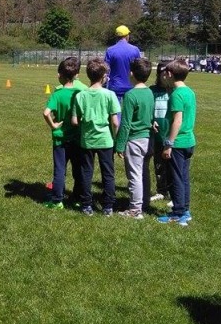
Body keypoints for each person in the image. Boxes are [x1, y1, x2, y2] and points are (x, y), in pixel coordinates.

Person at [71, 58, 120, 216]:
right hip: (106, 140)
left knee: (86, 172)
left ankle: (86, 205)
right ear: (104, 76)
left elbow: (74, 120)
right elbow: (115, 122)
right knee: (108, 173)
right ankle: (108, 206)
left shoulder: (80, 95)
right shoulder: (110, 95)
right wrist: (117, 138)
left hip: (87, 139)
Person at [157, 58, 197, 226]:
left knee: (176, 178)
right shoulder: (190, 92)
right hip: (189, 141)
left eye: (165, 73)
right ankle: (185, 209)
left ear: (170, 74)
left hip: (178, 143)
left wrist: (169, 143)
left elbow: (177, 121)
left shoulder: (176, 95)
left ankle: (178, 212)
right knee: (184, 177)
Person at [115, 58, 154, 219]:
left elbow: (125, 123)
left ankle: (135, 210)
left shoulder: (130, 95)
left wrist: (120, 145)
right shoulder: (150, 92)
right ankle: (144, 201)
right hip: (147, 138)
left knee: (134, 176)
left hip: (135, 140)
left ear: (131, 74)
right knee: (143, 172)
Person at [42, 56, 84, 209]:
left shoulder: (57, 94)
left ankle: (57, 200)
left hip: (60, 138)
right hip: (78, 137)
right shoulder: (82, 92)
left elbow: (46, 113)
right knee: (78, 169)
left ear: (61, 75)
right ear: (76, 75)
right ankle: (79, 198)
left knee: (60, 170)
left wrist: (53, 125)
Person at [149, 61, 171, 201]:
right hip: (157, 133)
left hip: (170, 132)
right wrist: (151, 121)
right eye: (162, 73)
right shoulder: (152, 90)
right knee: (158, 162)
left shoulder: (174, 91)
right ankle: (161, 190)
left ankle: (173, 192)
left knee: (171, 164)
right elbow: (148, 109)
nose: (165, 76)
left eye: (167, 73)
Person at [105, 25, 141, 103]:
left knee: (115, 111)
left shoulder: (110, 50)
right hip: (131, 85)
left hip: (115, 85)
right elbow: (139, 68)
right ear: (127, 36)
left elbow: (106, 69)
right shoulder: (135, 50)